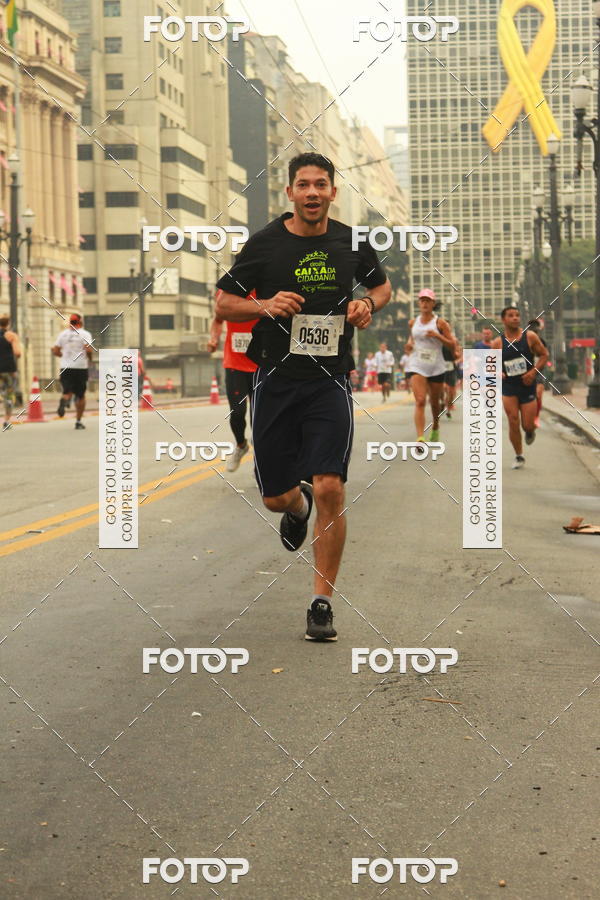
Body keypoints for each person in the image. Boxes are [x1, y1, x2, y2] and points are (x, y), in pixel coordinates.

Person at [215, 151, 391, 641]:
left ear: (334, 192)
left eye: (321, 184)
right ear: (290, 192)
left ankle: (321, 603)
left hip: (330, 379)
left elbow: (382, 289)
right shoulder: (264, 244)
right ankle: (297, 506)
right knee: (274, 497)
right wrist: (264, 304)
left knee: (332, 485)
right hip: (275, 380)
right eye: (303, 185)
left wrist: (364, 304)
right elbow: (225, 302)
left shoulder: (353, 240)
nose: (312, 192)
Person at [491, 306, 549, 469]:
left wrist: (533, 372)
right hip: (509, 387)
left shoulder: (529, 337)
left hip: (527, 386)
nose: (515, 318)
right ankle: (519, 455)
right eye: (511, 315)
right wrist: (498, 373)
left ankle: (530, 431)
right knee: (513, 420)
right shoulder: (497, 343)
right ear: (503, 320)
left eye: (517, 315)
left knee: (527, 425)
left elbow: (544, 355)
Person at [208, 293, 258, 473]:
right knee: (237, 413)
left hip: (262, 364)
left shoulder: (267, 286)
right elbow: (218, 320)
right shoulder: (228, 291)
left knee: (259, 418)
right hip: (235, 364)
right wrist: (214, 338)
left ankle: (260, 461)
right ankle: (241, 445)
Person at [405, 288, 456, 444]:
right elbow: (412, 340)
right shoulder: (413, 322)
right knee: (420, 400)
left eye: (428, 300)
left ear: (433, 303)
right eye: (422, 300)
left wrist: (437, 335)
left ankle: (435, 425)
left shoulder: (440, 323)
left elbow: (452, 345)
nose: (425, 303)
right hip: (417, 365)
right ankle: (420, 437)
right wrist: (408, 346)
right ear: (419, 303)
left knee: (435, 403)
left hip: (436, 367)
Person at [52, 312, 93, 429]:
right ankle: (78, 421)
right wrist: (90, 360)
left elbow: (55, 350)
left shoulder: (62, 335)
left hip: (65, 367)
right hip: (80, 367)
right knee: (81, 395)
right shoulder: (85, 334)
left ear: (70, 322)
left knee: (67, 391)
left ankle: (64, 400)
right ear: (81, 322)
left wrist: (63, 356)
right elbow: (89, 350)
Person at [0, 314, 21, 431]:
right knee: (9, 394)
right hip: (8, 369)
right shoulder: (11, 336)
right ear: (8, 324)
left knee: (2, 392)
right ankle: (7, 420)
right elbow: (17, 352)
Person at [527, 318, 549, 427]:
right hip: (525, 372)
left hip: (539, 371)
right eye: (532, 330)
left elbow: (545, 356)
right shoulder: (523, 341)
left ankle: (536, 417)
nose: (534, 332)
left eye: (536, 330)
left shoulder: (542, 342)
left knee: (539, 395)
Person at [443, 334, 461, 418]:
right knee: (444, 388)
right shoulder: (438, 341)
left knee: (451, 391)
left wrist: (456, 359)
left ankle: (448, 405)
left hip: (452, 369)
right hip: (441, 369)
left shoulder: (453, 341)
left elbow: (459, 356)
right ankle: (444, 403)